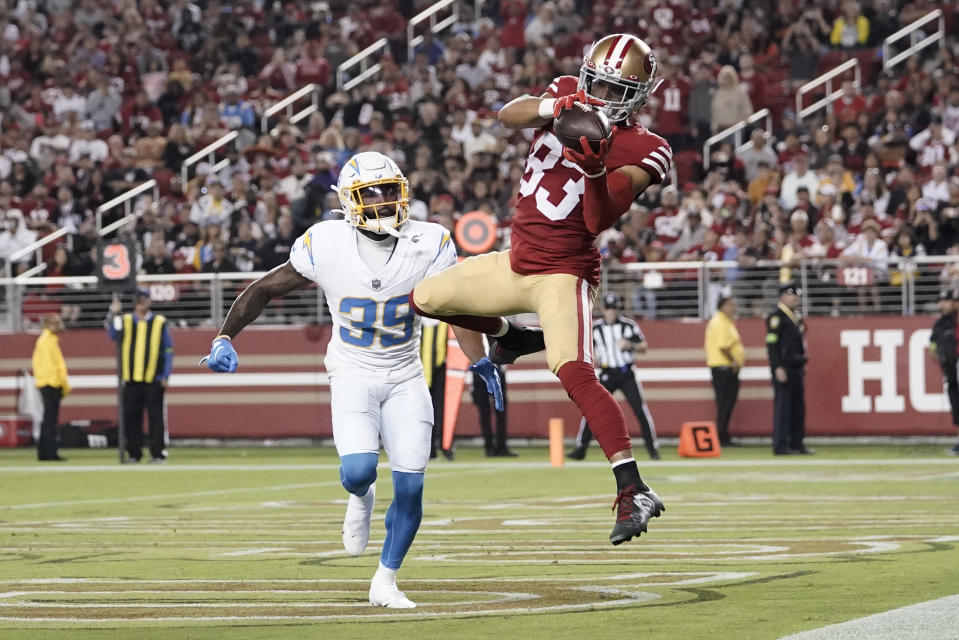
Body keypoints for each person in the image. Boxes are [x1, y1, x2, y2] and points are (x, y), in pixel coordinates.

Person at [201, 151, 502, 609]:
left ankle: (386, 578)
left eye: (389, 191)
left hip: (405, 374)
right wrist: (225, 334)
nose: (382, 201)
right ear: (348, 201)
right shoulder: (327, 241)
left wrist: (479, 359)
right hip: (353, 372)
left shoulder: (431, 240)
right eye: (370, 193)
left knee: (412, 485)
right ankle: (360, 497)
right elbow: (264, 288)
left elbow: (455, 306)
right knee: (359, 471)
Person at [410, 33, 668, 545]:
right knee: (427, 298)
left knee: (574, 372)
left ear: (637, 96)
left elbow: (596, 218)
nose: (600, 97)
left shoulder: (648, 149)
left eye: (616, 91)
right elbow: (509, 114)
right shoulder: (571, 93)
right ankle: (518, 336)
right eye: (597, 84)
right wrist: (557, 105)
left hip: (565, 273)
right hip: (517, 262)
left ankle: (632, 487)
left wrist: (595, 168)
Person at [567, 293, 660, 461]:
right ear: (603, 309)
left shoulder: (628, 325)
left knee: (640, 410)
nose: (611, 312)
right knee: (593, 409)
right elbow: (586, 348)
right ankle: (581, 447)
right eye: (608, 308)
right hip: (607, 373)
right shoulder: (595, 328)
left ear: (618, 309)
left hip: (626, 373)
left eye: (614, 308)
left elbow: (644, 346)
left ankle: (652, 448)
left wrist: (630, 345)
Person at [107, 289, 174, 463]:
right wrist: (114, 312)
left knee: (155, 417)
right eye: (140, 300)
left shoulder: (159, 322)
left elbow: (168, 350)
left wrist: (165, 374)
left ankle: (157, 452)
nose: (142, 303)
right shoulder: (125, 320)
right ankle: (134, 453)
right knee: (131, 417)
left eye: (145, 299)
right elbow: (113, 335)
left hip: (153, 378)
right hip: (130, 378)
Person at [766, 283, 812, 456]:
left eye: (797, 295)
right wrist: (777, 366)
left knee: (797, 407)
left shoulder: (794, 316)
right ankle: (781, 444)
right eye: (792, 295)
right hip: (784, 367)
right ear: (783, 296)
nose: (795, 298)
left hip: (796, 367)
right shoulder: (776, 316)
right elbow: (772, 344)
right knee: (783, 407)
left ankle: (797, 442)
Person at [705, 295, 745, 447]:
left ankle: (724, 435)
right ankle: (721, 437)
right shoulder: (720, 322)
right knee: (724, 404)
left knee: (726, 404)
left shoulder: (725, 322)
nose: (734, 308)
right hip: (723, 368)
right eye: (730, 305)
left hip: (725, 368)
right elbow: (723, 346)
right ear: (722, 306)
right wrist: (734, 360)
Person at [31, 314, 70, 461]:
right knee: (50, 420)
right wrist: (58, 384)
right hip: (50, 384)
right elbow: (50, 366)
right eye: (57, 323)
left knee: (49, 419)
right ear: (49, 325)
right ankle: (49, 452)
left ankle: (45, 452)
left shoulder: (47, 340)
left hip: (48, 383)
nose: (59, 326)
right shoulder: (46, 341)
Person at [928, 289, 959, 455]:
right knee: (956, 406)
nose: (944, 304)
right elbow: (932, 345)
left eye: (948, 301)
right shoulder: (942, 323)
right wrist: (940, 358)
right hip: (951, 371)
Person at [472, 344, 515, 457]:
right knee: (484, 411)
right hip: (480, 370)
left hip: (497, 369)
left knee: (500, 411)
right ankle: (489, 447)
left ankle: (502, 446)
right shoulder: (475, 330)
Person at [420, 317, 454, 460]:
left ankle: (445, 445)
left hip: (441, 370)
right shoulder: (416, 321)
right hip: (418, 372)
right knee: (422, 412)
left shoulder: (445, 323)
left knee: (441, 410)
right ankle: (427, 448)